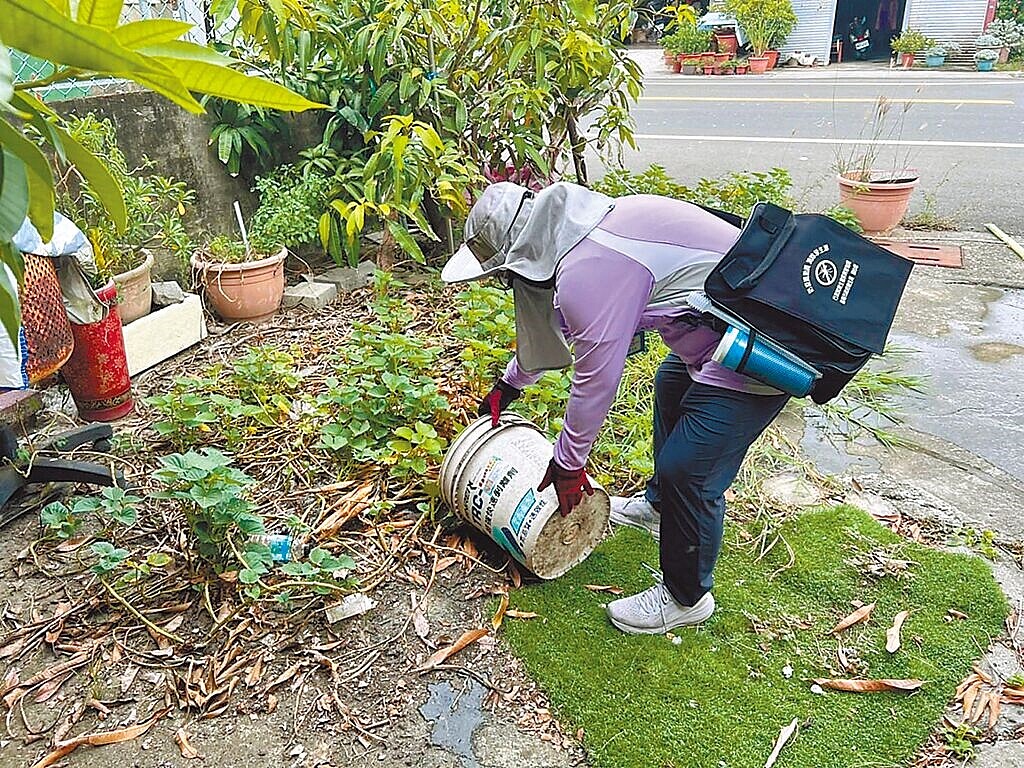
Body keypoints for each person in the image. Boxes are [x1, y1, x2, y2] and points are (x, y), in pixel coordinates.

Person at [442, 181, 789, 635]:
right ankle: (661, 508)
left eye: (503, 272)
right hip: (715, 336)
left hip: (767, 345)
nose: (506, 282)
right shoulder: (580, 231)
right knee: (671, 388)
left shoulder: (591, 267)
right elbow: (558, 331)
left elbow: (597, 379)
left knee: (690, 468)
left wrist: (568, 465)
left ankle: (687, 596)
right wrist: (508, 387)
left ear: (520, 255)